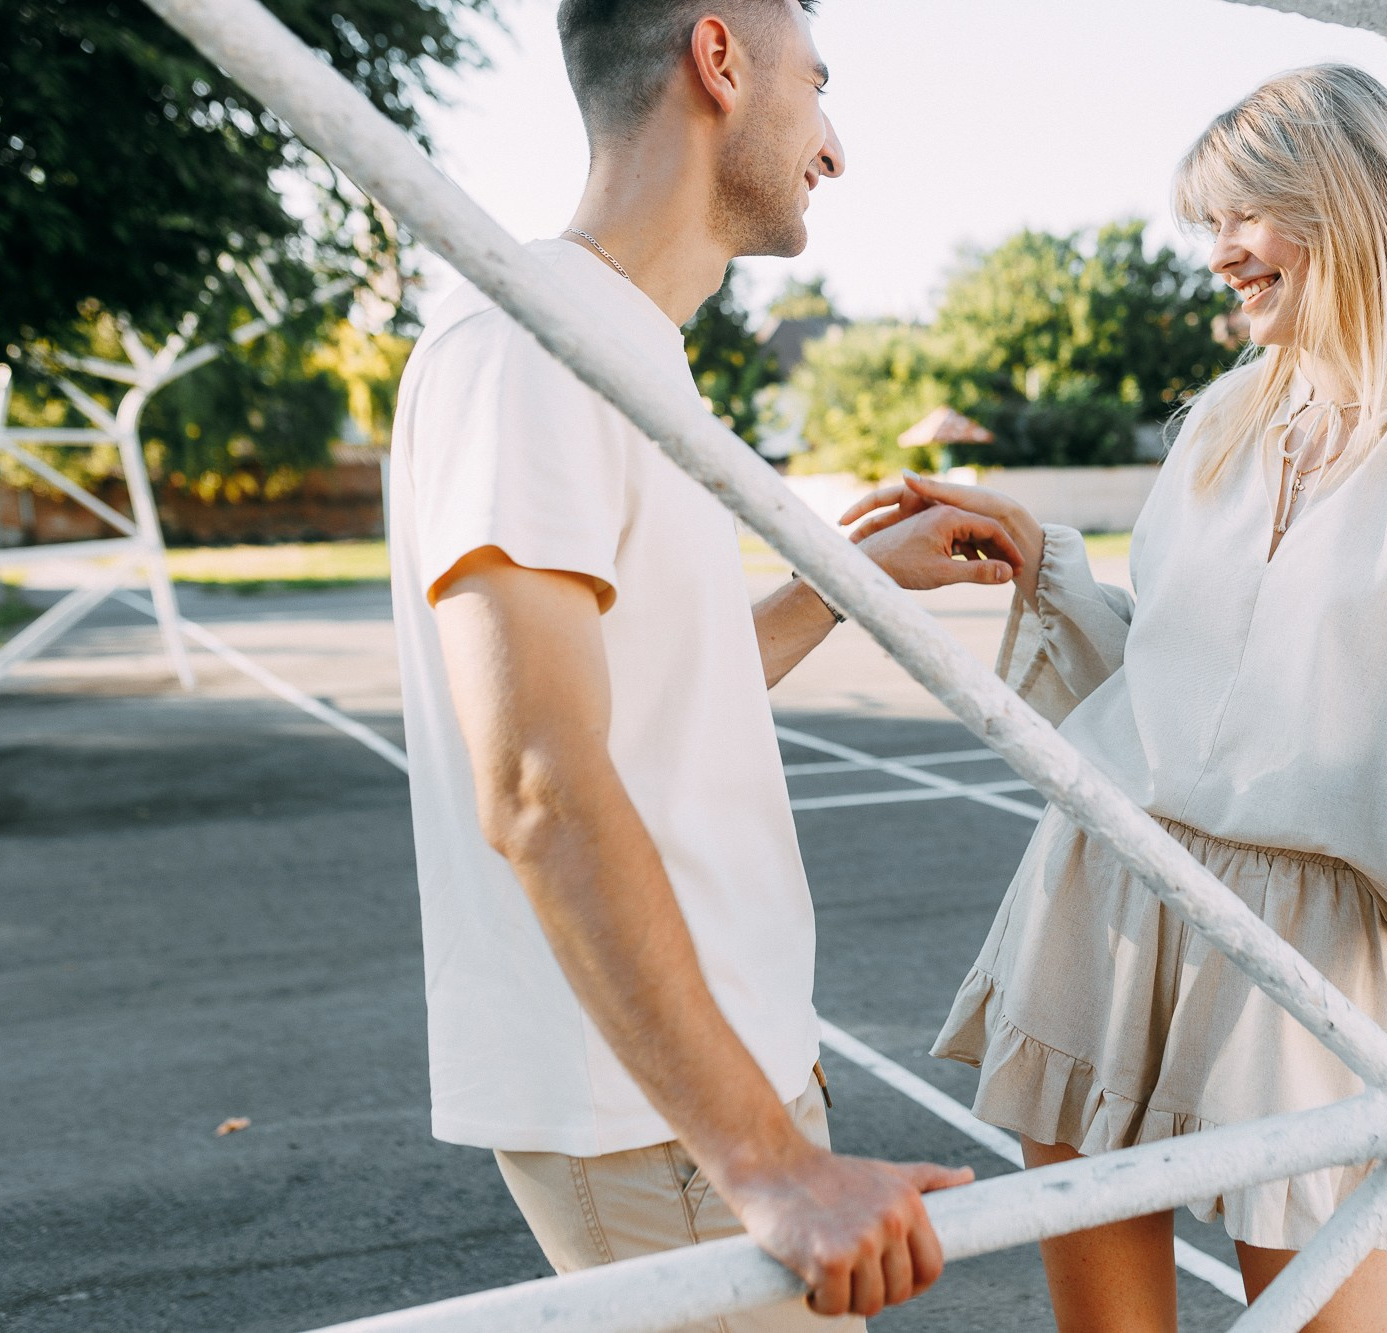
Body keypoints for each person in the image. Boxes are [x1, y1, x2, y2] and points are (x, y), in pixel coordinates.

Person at [842, 65, 1387, 1333]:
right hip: (1108, 887)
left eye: (1240, 215)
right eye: (1206, 225)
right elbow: (1169, 690)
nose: (1216, 256)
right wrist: (1042, 564)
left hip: (1307, 952)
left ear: (1346, 202)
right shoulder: (1221, 421)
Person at [385, 1, 1027, 1326]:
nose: (834, 146)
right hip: (664, 1127)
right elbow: (540, 779)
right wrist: (768, 1161)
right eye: (817, 84)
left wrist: (841, 586)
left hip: (697, 1095)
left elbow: (648, 695)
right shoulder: (529, 340)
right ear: (720, 59)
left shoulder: (621, 345)